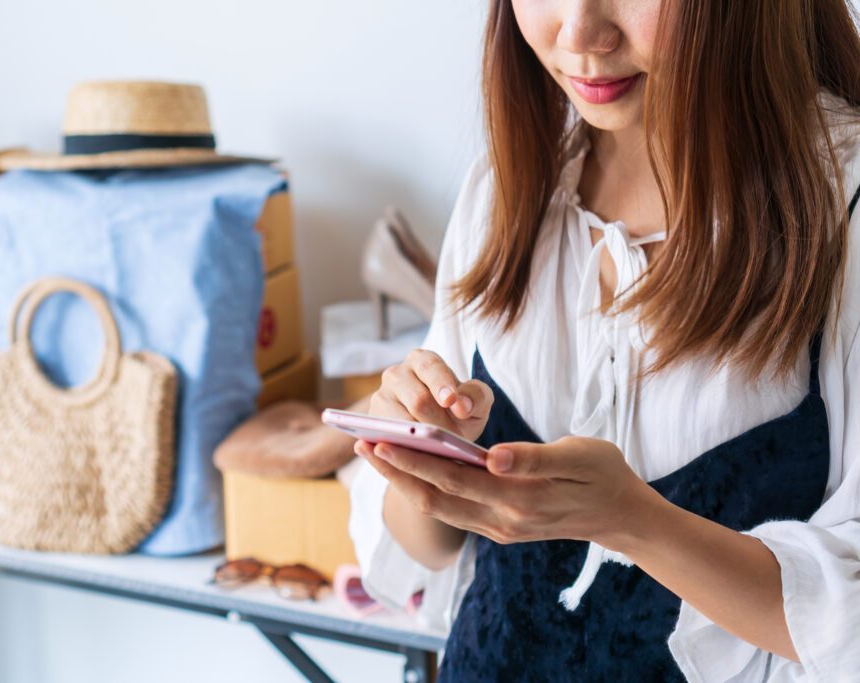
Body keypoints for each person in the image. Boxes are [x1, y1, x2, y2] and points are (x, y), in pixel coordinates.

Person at [346, 1, 860, 680]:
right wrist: (417, 465)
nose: (581, 34)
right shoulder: (506, 193)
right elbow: (433, 553)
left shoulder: (840, 208)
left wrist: (633, 520)